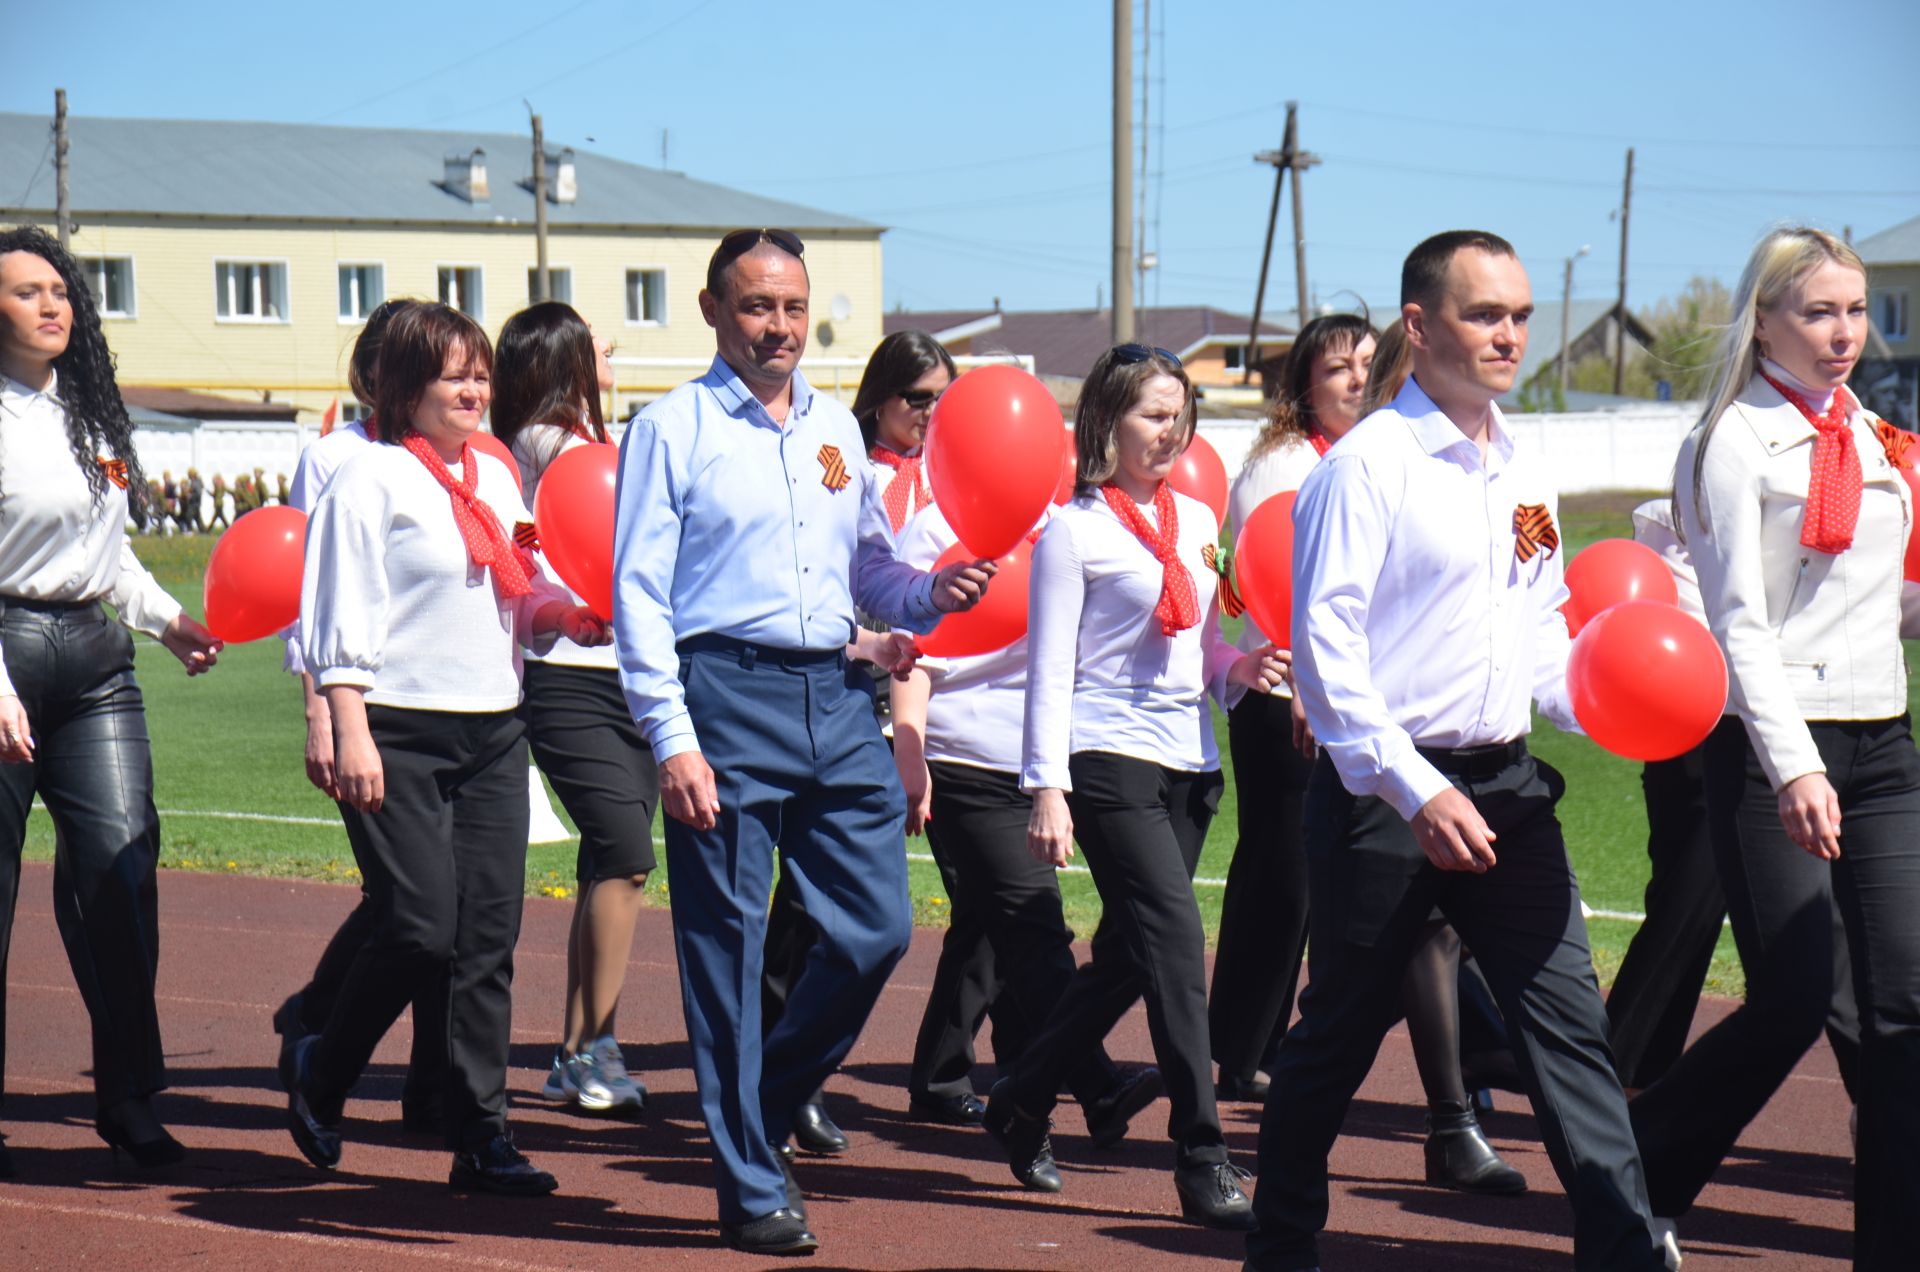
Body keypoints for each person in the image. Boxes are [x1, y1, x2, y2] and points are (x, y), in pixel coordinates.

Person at [1246, 230, 1671, 1271]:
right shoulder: (1365, 468)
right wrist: (1413, 786)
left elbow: (1539, 634)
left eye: (1521, 315)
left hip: (1510, 791)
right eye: (1486, 315)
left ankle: (1623, 1247)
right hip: (1385, 800)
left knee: (1570, 1033)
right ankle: (1280, 1245)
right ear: (1421, 325)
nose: (1510, 335)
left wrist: (1609, 698)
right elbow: (1327, 653)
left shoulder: (1522, 467)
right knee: (1335, 1042)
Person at [612, 228, 993, 1256]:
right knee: (726, 956)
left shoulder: (834, 429)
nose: (777, 326)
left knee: (876, 932)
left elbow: (866, 571)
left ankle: (757, 1112)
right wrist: (672, 739)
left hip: (837, 697)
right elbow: (638, 598)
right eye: (754, 306)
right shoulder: (672, 429)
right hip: (723, 698)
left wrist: (929, 592)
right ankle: (747, 1182)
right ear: (711, 312)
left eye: (791, 307)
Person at [1633, 226, 1919, 1268]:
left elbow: (1882, 603)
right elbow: (1739, 624)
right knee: (1797, 999)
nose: (1845, 332)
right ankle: (1640, 1170)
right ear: (1765, 320)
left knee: (1903, 1013)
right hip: (1770, 747)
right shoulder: (1729, 442)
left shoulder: (1881, 439)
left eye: (1854, 310)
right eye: (1819, 312)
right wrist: (1794, 764)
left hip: (1882, 740)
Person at [286, 301, 606, 1196]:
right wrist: (347, 726)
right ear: (404, 386)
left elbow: (526, 584)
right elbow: (334, 622)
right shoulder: (369, 479)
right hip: (397, 730)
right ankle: (322, 1069)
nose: (472, 389)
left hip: (495, 730)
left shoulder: (500, 481)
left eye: (479, 373)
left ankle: (481, 1135)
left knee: (487, 943)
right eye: (450, 374)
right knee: (420, 927)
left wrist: (565, 614)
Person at [1210, 312, 1526, 1195]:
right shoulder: (1297, 467)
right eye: (1336, 368)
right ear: (1304, 382)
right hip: (1297, 703)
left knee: (1421, 930)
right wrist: (1311, 692)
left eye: (1363, 367)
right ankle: (1251, 1060)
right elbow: (1281, 590)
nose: (1353, 381)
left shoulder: (1437, 459)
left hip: (1401, 725)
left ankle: (1457, 1102)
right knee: (1298, 899)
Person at [983, 343, 1284, 1230]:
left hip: (1189, 764)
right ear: (1106, 423)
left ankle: (1024, 1094)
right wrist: (1046, 788)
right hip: (1107, 760)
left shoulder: (1197, 520)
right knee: (1177, 950)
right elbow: (1051, 670)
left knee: (1127, 957)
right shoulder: (1072, 530)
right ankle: (1201, 1154)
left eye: (1180, 413)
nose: (1171, 429)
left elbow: (1198, 646)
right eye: (1154, 413)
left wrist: (1239, 664)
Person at [0, 225, 224, 1175]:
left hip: (96, 662)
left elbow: (111, 556)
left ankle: (129, 1099)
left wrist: (170, 619)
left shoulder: (91, 411)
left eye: (60, 289)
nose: (51, 305)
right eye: (25, 291)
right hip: (3, 652)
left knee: (123, 876)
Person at [890, 495, 1163, 1137]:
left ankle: (939, 1076)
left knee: (988, 927)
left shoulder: (1067, 525)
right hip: (965, 755)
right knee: (1034, 925)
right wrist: (911, 754)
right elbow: (913, 656)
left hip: (1041, 758)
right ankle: (1095, 1088)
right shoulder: (936, 527)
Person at [755, 331, 964, 1151]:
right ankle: (782, 1075)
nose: (932, 414)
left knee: (884, 909)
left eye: (944, 397)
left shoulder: (952, 478)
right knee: (806, 902)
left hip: (927, 685)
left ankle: (811, 1073)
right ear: (879, 397)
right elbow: (833, 585)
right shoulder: (847, 465)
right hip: (842, 684)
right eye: (918, 398)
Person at [270, 298, 447, 1134]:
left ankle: (424, 1077)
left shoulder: (458, 458)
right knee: (404, 902)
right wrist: (320, 714)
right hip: (366, 703)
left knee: (431, 906)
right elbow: (315, 593)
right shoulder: (338, 457)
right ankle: (320, 1024)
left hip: (455, 704)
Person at [492, 301, 657, 1119]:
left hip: (625, 674)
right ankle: (586, 1048)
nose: (615, 356)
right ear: (564, 364)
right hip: (568, 674)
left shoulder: (592, 443)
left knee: (609, 863)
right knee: (626, 854)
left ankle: (583, 1049)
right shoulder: (546, 447)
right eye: (602, 347)